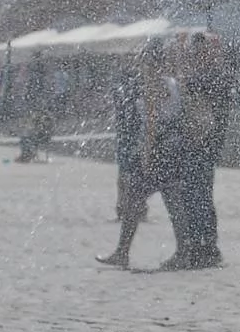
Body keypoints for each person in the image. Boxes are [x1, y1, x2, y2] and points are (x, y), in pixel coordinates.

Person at [158, 33, 230, 270]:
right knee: (197, 196)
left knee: (197, 196)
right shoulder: (210, 75)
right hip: (199, 144)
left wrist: (182, 69)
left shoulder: (211, 77)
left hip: (202, 144)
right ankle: (203, 245)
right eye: (195, 52)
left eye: (199, 52)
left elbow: (195, 97)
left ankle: (204, 247)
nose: (197, 56)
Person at [95, 50, 158, 268]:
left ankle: (191, 250)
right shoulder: (138, 87)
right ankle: (122, 251)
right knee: (136, 197)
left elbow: (152, 123)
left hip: (156, 154)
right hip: (148, 152)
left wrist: (147, 151)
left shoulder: (158, 87)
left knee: (177, 203)